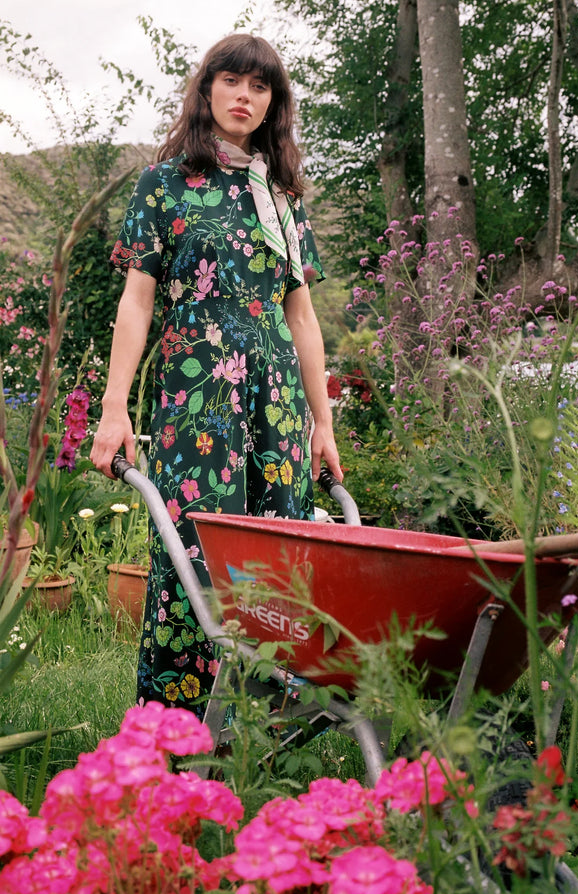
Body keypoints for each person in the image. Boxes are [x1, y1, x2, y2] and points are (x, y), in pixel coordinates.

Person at [91, 33, 342, 716]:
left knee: (279, 545)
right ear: (207, 91)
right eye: (231, 81)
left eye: (259, 87)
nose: (243, 96)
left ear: (272, 104)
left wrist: (323, 423)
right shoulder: (164, 183)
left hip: (278, 400)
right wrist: (115, 407)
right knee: (192, 546)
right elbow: (137, 301)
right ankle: (175, 730)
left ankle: (265, 722)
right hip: (196, 393)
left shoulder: (282, 197)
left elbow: (303, 319)